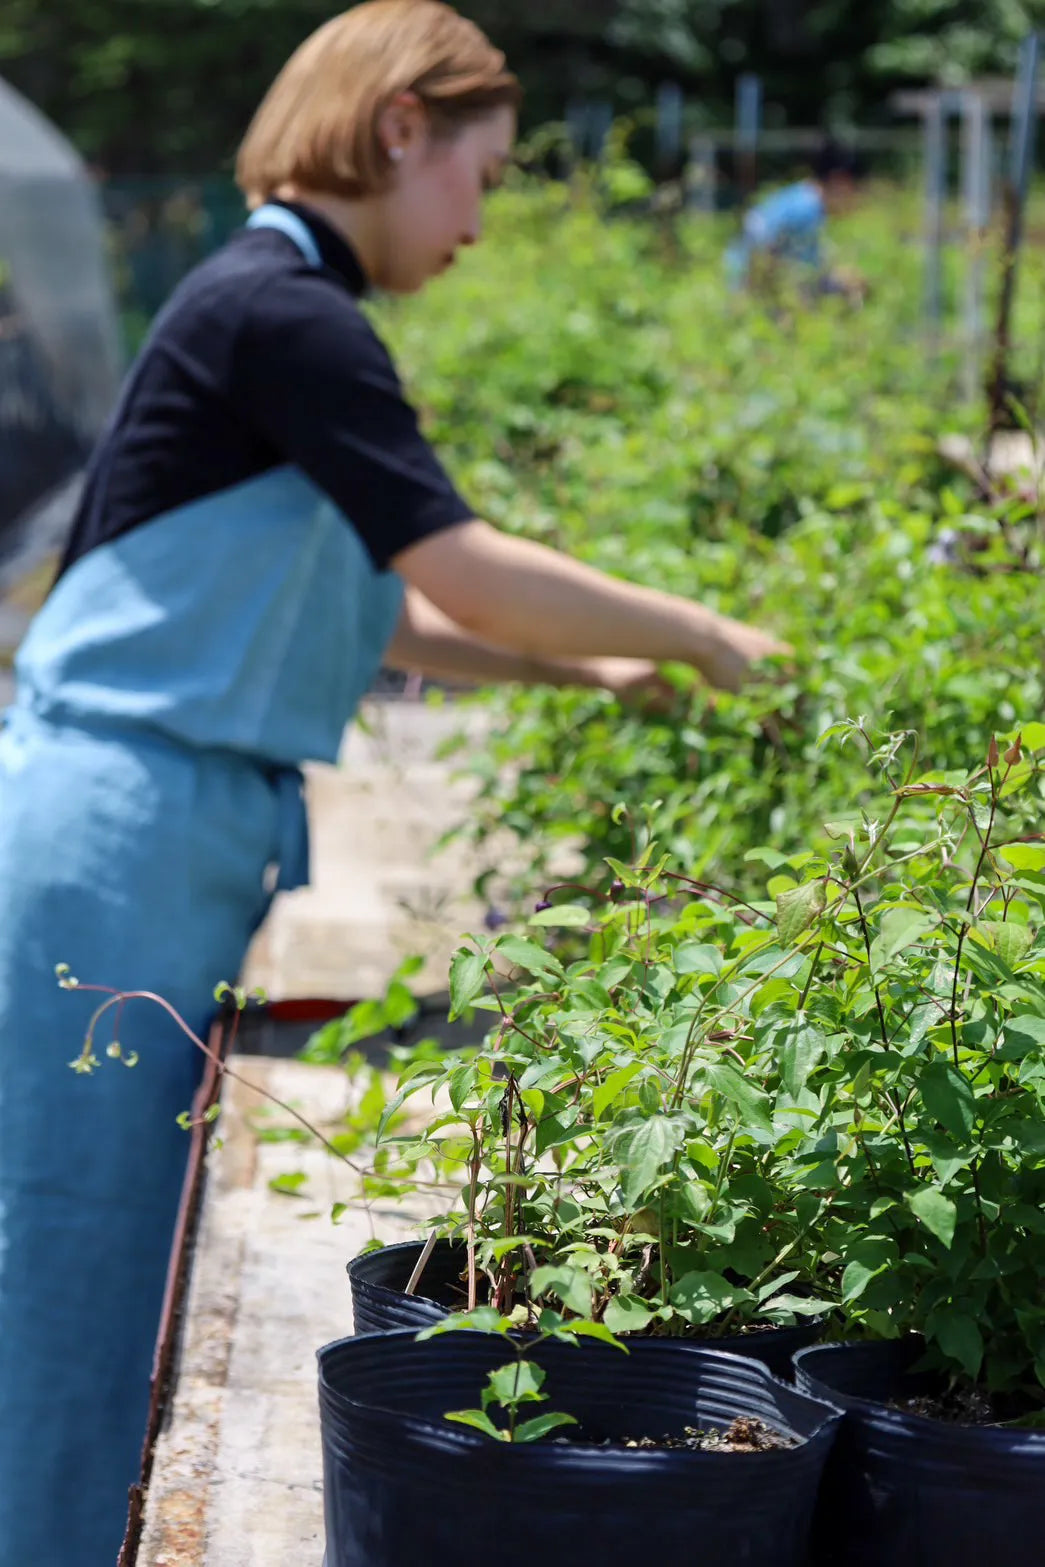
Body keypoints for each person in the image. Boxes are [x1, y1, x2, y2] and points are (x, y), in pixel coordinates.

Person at [0, 4, 786, 1561]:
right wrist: (702, 633)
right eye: (479, 177)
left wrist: (595, 666)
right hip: (114, 835)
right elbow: (462, 568)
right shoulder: (286, 314)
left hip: (149, 825)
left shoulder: (268, 311)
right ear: (401, 127)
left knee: (105, 1264)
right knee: (70, 1266)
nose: (483, 224)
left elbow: (389, 612)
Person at [727, 139, 866, 300]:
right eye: (856, 189)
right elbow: (759, 258)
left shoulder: (807, 200)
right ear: (839, 181)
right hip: (749, 288)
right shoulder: (805, 209)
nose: (856, 198)